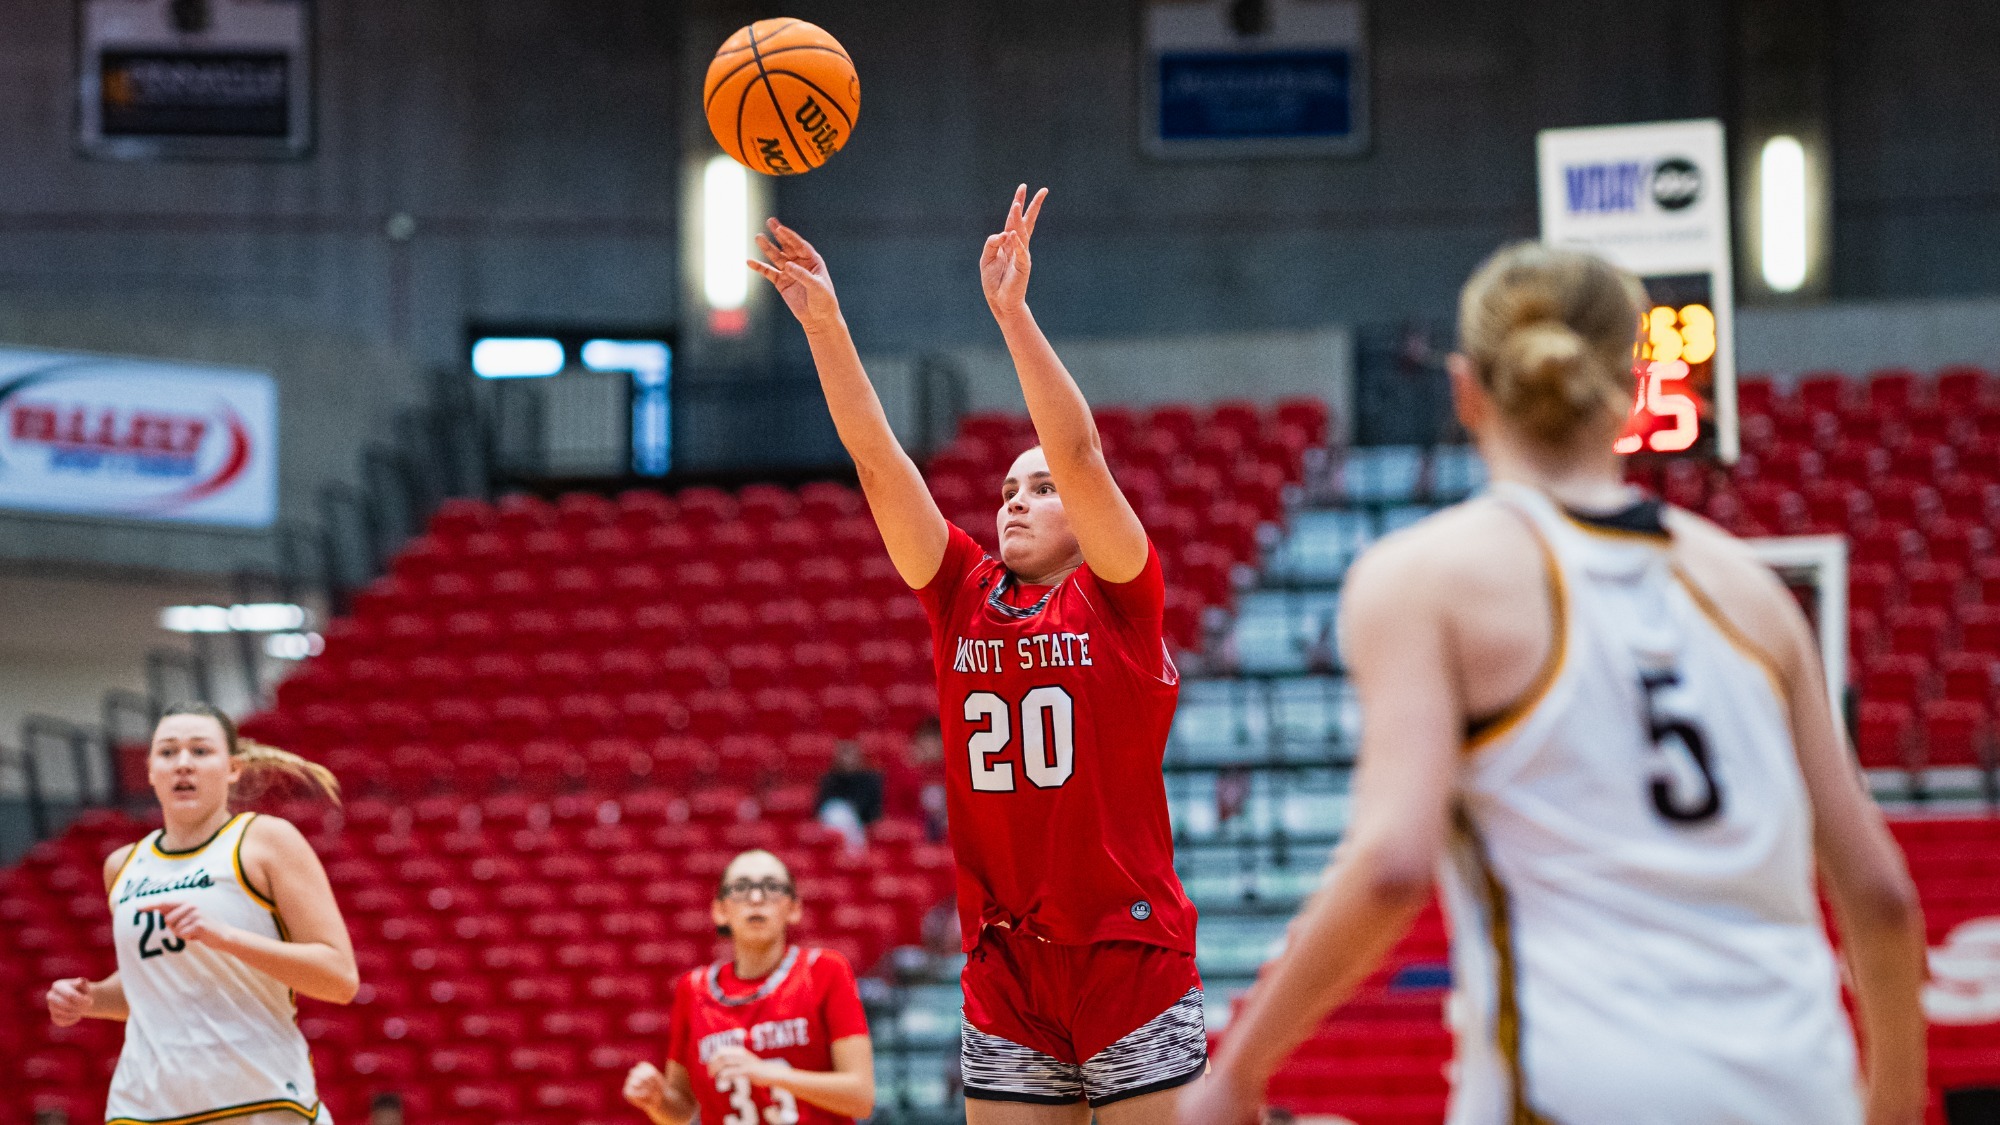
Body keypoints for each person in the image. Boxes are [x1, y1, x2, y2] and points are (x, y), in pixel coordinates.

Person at [1178, 242, 1928, 1125]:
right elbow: (1881, 897)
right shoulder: (1751, 591)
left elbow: (1390, 867)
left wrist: (1238, 1070)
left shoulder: (1426, 576)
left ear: (1465, 388)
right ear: (1635, 383)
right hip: (1799, 1085)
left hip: (1581, 1086)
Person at [753, 185, 1204, 1121]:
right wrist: (828, 327)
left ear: (1082, 516)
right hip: (1005, 959)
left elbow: (1078, 450)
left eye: (1038, 490)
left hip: (1128, 955)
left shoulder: (1121, 595)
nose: (1014, 499)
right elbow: (881, 463)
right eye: (1005, 487)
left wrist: (1013, 315)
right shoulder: (959, 593)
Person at [44, 702, 357, 1125]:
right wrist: (90, 999)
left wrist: (223, 937)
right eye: (168, 752)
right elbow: (154, 986)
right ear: (150, 769)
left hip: (259, 1100)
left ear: (233, 768)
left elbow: (339, 978)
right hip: (143, 1107)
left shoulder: (264, 840)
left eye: (200, 751)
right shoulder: (123, 865)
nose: (183, 764)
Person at [622, 849, 874, 1125]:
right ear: (720, 911)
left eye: (772, 887)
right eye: (740, 888)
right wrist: (656, 1100)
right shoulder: (692, 989)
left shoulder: (825, 970)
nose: (756, 898)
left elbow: (860, 1097)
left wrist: (766, 1073)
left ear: (794, 909)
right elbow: (681, 1111)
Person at [815, 739, 885, 848]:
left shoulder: (871, 780)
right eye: (845, 755)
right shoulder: (830, 780)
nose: (848, 759)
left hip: (864, 825)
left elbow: (876, 810)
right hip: (834, 828)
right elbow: (819, 809)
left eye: (851, 755)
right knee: (837, 812)